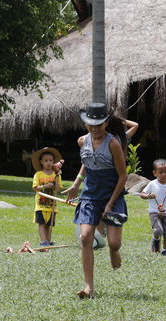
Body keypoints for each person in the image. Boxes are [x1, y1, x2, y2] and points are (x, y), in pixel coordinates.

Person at [63, 103, 128, 299]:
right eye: (91, 125)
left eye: (99, 124)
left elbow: (123, 176)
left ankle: (113, 251)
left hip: (112, 195)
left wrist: (109, 204)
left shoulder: (113, 144)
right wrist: (76, 184)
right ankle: (89, 287)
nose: (95, 128)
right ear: (85, 125)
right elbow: (87, 163)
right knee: (85, 238)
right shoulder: (82, 141)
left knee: (115, 243)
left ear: (106, 123)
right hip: (90, 195)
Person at [139, 159, 166, 255]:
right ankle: (156, 239)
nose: (164, 174)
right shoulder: (152, 184)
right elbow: (142, 194)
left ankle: (165, 250)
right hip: (154, 212)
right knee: (158, 230)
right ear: (155, 173)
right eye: (161, 172)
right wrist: (149, 196)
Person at [31, 147, 63, 246]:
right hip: (41, 204)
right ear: (41, 162)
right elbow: (35, 188)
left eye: (51, 160)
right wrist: (45, 186)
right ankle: (43, 242)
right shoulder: (38, 174)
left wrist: (57, 177)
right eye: (46, 160)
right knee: (41, 223)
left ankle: (48, 242)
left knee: (49, 225)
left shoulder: (56, 174)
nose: (48, 163)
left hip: (52, 205)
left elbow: (58, 189)